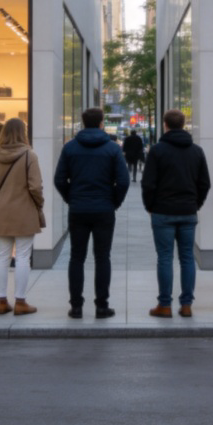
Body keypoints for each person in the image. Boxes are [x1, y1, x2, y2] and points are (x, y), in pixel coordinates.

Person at [54, 106, 130, 319]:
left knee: (76, 257)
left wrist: (71, 198)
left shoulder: (70, 148)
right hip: (104, 209)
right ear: (101, 123)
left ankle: (76, 306)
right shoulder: (113, 149)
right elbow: (123, 181)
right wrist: (114, 201)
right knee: (102, 257)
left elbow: (59, 179)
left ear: (82, 122)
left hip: (78, 209)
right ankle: (101, 306)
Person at [141, 109, 210, 318]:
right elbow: (204, 183)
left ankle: (165, 305)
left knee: (164, 258)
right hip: (188, 211)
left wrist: (150, 206)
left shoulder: (157, 151)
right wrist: (195, 204)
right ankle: (186, 304)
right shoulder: (196, 151)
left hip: (163, 211)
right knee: (187, 258)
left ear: (165, 125)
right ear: (184, 124)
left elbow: (148, 184)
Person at [0, 118, 44, 316]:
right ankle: (20, 301)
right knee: (23, 257)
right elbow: (35, 186)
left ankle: (2, 301)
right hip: (25, 211)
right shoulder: (29, 155)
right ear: (23, 132)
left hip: (3, 211)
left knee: (2, 256)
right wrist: (39, 203)